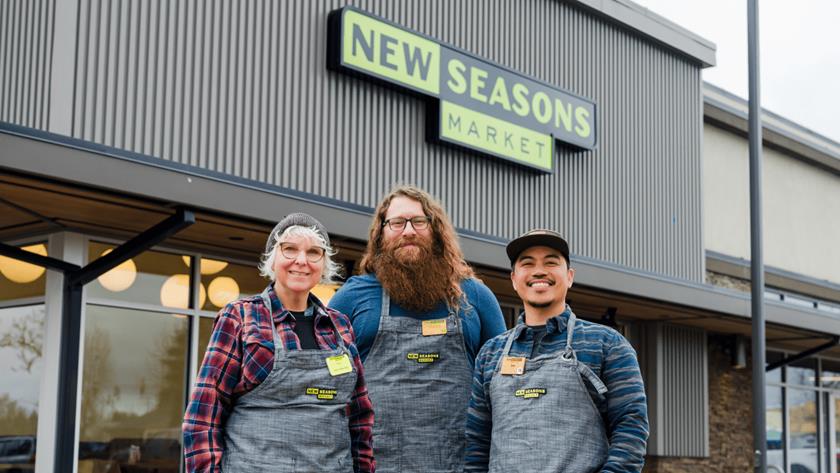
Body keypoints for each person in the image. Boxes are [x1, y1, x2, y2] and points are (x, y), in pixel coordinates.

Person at [329, 186, 506, 473]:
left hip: (460, 465)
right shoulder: (352, 297)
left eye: (418, 221)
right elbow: (324, 382)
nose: (408, 231)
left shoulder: (475, 297)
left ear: (435, 230)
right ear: (381, 233)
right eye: (397, 223)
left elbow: (503, 389)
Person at [183, 213, 375, 472]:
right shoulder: (240, 317)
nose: (301, 261)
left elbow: (360, 420)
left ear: (324, 264)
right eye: (290, 249)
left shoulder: (340, 326)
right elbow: (203, 418)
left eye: (313, 252)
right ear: (273, 258)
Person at [464, 229, 649, 473]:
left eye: (551, 262)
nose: (539, 271)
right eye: (527, 263)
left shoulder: (607, 344)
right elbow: (477, 443)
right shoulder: (491, 354)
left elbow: (631, 428)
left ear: (570, 276)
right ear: (514, 279)